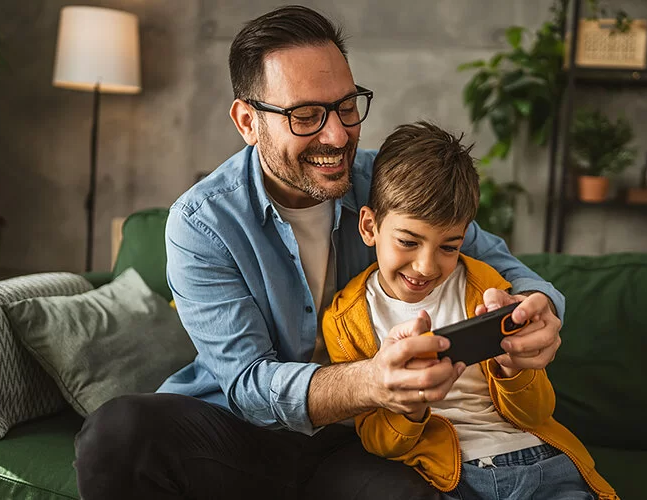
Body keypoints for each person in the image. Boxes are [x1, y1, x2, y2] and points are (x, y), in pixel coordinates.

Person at [73, 6, 566, 499]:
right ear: (248, 121)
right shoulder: (202, 223)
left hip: (354, 442)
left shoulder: (388, 187)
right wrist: (373, 381)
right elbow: (247, 384)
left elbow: (507, 270)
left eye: (346, 107)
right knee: (117, 433)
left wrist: (541, 312)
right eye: (306, 115)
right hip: (241, 434)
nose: (337, 135)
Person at [322, 121, 617, 500]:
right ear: (369, 226)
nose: (427, 266)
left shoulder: (486, 287)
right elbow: (382, 443)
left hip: (545, 464)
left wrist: (512, 369)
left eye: (449, 246)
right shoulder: (348, 321)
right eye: (409, 242)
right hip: (455, 480)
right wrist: (411, 404)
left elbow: (536, 412)